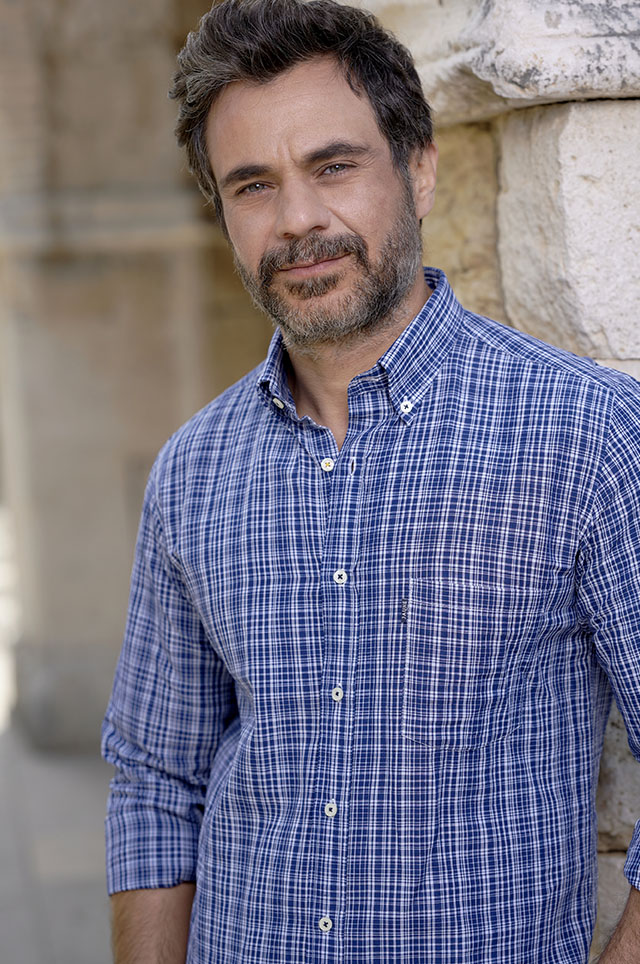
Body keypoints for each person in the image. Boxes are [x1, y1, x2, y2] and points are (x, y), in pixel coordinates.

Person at [101, 0, 640, 961]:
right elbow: (156, 784)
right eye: (253, 185)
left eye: (334, 166)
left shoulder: (585, 434)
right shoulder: (193, 471)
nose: (298, 220)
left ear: (420, 170)